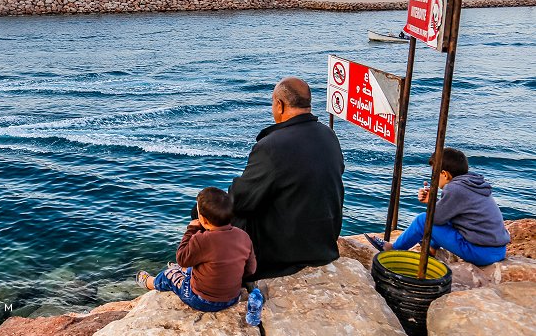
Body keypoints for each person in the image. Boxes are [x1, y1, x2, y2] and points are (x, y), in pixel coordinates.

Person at [196, 77, 344, 280]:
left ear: (280, 105)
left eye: (273, 103)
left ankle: (206, 272)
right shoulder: (329, 136)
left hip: (283, 255)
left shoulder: (271, 146)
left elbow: (240, 201)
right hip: (323, 245)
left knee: (213, 210)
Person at [365, 148, 510, 266]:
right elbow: (451, 214)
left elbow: (435, 219)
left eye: (434, 174)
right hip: (498, 250)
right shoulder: (472, 183)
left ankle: (393, 249)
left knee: (423, 220)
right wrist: (432, 201)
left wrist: (431, 202)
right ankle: (432, 248)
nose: (433, 178)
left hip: (481, 253)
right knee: (441, 220)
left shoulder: (455, 189)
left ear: (444, 174)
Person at [136, 187, 256, 313]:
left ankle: (150, 282)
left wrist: (191, 230)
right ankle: (184, 271)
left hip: (201, 300)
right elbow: (250, 269)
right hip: (232, 297)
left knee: (169, 276)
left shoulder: (201, 239)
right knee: (206, 264)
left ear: (202, 220)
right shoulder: (244, 236)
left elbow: (182, 258)